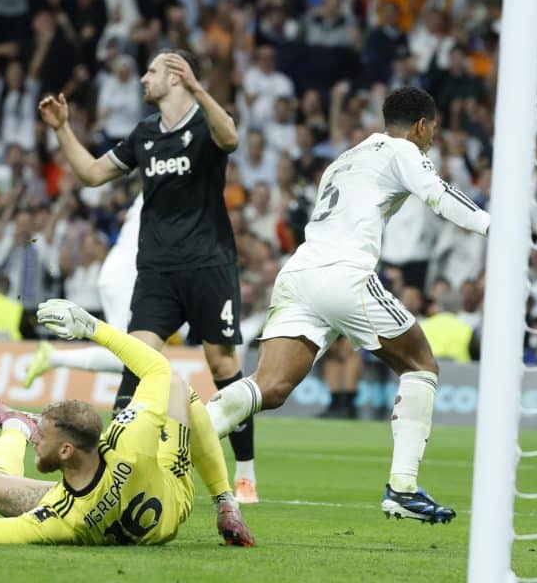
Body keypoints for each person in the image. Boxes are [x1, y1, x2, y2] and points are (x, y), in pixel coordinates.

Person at [206, 86, 490, 523]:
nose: (431, 140)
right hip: (344, 276)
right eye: (432, 131)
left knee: (270, 386)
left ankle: (179, 440)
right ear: (421, 126)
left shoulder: (345, 158)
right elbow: (440, 195)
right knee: (420, 364)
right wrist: (495, 226)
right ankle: (403, 488)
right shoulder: (403, 150)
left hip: (299, 273)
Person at [0, 299, 253, 546]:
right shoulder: (126, 439)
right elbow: (157, 369)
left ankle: (225, 502)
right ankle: (16, 424)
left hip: (172, 493)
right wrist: (92, 327)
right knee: (174, 384)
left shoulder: (59, 517)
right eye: (38, 433)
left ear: (67, 450)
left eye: (40, 435)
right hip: (160, 491)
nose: (40, 442)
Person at [37, 49, 260, 502]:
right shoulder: (144, 134)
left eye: (152, 71)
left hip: (209, 264)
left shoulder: (206, 123)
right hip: (157, 269)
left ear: (176, 76)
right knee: (137, 359)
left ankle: (245, 471)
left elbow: (231, 137)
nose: (143, 78)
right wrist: (62, 129)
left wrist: (199, 89)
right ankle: (110, 470)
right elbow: (92, 174)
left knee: (222, 364)